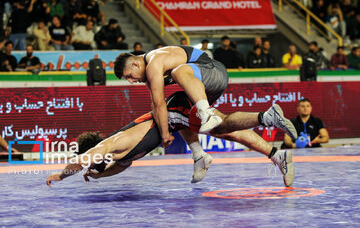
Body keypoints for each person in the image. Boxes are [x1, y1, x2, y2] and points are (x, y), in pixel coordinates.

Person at [46, 91, 295, 187]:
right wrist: (101, 174)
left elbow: (83, 159)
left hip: (173, 109)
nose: (93, 166)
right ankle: (276, 155)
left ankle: (266, 117)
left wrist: (62, 175)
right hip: (174, 120)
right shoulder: (120, 155)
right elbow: (123, 165)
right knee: (224, 130)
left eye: (94, 164)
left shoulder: (111, 144)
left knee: (222, 128)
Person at [113, 46, 298, 160]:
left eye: (129, 76)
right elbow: (157, 106)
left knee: (178, 74)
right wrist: (165, 132)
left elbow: (159, 105)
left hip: (213, 71)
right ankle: (273, 143)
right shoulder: (150, 74)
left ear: (136, 64)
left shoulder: (153, 62)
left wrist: (164, 134)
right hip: (205, 86)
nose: (130, 81)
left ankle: (205, 113)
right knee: (213, 124)